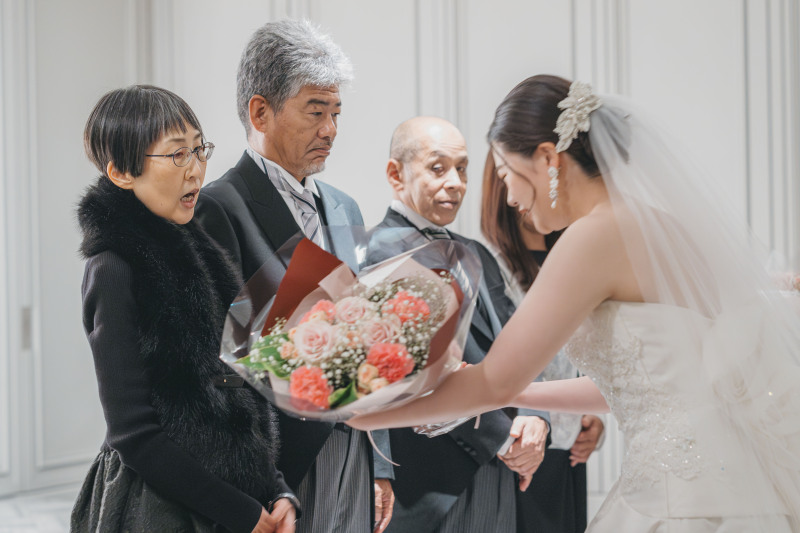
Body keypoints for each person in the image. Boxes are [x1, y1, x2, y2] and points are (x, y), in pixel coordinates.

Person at [350, 74, 800, 531]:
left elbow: (494, 384)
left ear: (548, 159)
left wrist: (369, 412)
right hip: (736, 493)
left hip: (679, 505)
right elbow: (648, 378)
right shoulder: (662, 228)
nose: (510, 198)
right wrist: (526, 392)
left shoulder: (593, 236)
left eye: (508, 175)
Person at [195, 19, 394, 533]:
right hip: (279, 462)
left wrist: (381, 461)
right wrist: (258, 480)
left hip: (357, 446)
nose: (330, 129)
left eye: (336, 113)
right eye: (315, 111)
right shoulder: (217, 207)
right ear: (260, 111)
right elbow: (217, 358)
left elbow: (367, 337)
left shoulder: (345, 207)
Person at [72, 85, 297, 533]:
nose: (196, 170)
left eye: (199, 150)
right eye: (177, 155)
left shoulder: (203, 252)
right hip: (156, 505)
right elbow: (133, 436)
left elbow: (242, 385)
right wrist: (242, 512)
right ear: (120, 172)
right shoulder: (112, 267)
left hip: (235, 495)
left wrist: (276, 491)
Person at [366, 116, 549, 533]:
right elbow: (414, 372)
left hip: (501, 475)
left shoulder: (477, 254)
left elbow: (524, 343)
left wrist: (537, 418)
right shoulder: (375, 255)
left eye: (462, 168)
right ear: (397, 174)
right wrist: (505, 438)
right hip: (426, 487)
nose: (455, 182)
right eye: (437, 167)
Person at [480, 154, 604, 533]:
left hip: (569, 455)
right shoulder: (490, 265)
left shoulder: (577, 257)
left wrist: (594, 418)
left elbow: (590, 354)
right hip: (519, 451)